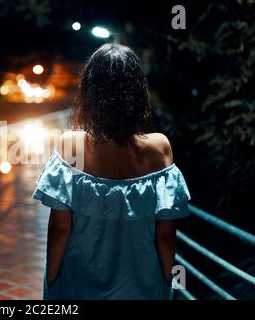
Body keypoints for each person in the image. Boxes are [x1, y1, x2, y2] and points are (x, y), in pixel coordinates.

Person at [32, 43, 191, 299]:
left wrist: (51, 280)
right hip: (141, 282)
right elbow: (165, 234)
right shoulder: (160, 147)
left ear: (90, 92)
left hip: (80, 281)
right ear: (138, 91)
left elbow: (59, 229)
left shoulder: (70, 145)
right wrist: (169, 282)